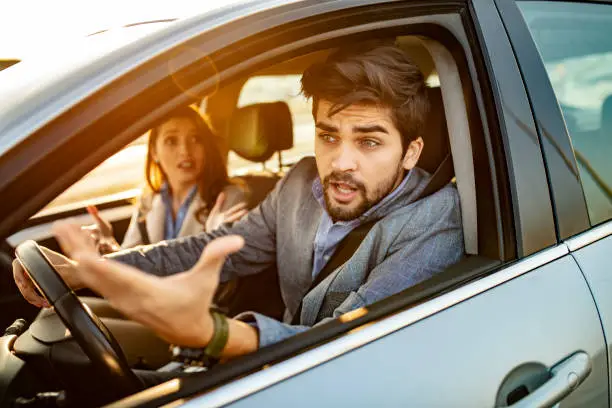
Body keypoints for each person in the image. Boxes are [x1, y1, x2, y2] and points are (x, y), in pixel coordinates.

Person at [14, 43, 465, 360]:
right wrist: (89, 271)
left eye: (369, 143)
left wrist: (216, 335)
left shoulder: (436, 220)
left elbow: (344, 341)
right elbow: (209, 248)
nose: (341, 162)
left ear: (410, 152)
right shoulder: (299, 183)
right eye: (329, 135)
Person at [83, 105, 249, 253]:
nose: (185, 150)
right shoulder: (148, 200)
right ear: (154, 152)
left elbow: (226, 278)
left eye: (195, 139)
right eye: (171, 141)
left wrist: (215, 239)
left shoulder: (228, 199)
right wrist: (111, 247)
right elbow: (130, 265)